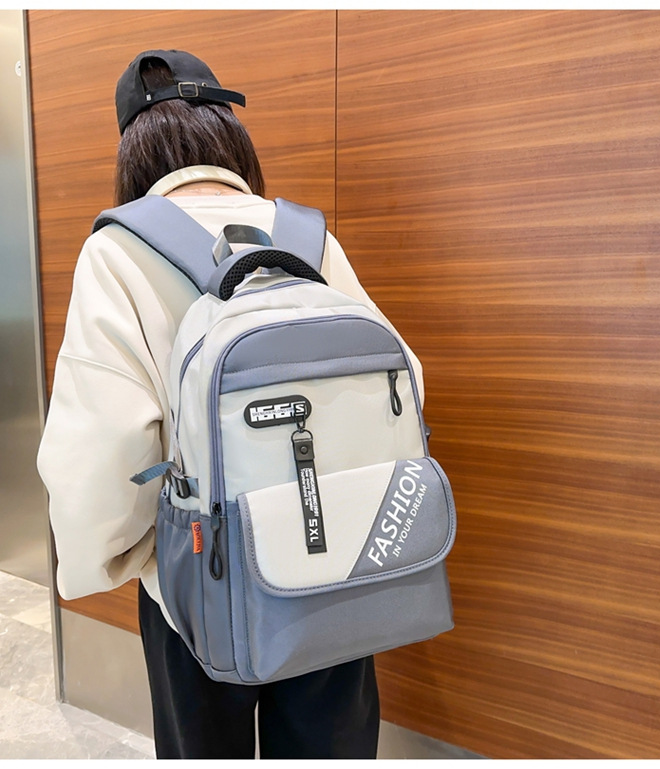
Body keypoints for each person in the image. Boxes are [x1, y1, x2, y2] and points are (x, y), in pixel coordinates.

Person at [37, 49, 421, 759]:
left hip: (197, 582)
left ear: (133, 150)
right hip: (332, 565)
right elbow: (403, 384)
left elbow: (103, 447)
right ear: (228, 132)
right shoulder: (308, 238)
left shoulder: (118, 250)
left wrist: (120, 559)